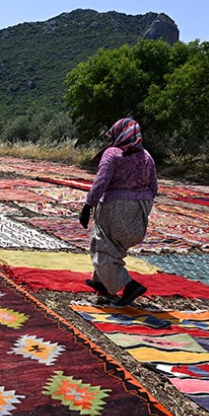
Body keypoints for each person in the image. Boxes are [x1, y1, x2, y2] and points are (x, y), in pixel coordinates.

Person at [79, 118, 158, 306]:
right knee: (113, 248)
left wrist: (88, 205)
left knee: (101, 247)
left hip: (115, 207)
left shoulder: (112, 154)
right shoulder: (146, 156)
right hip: (139, 209)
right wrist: (141, 206)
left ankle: (129, 286)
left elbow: (101, 181)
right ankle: (103, 287)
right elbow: (154, 187)